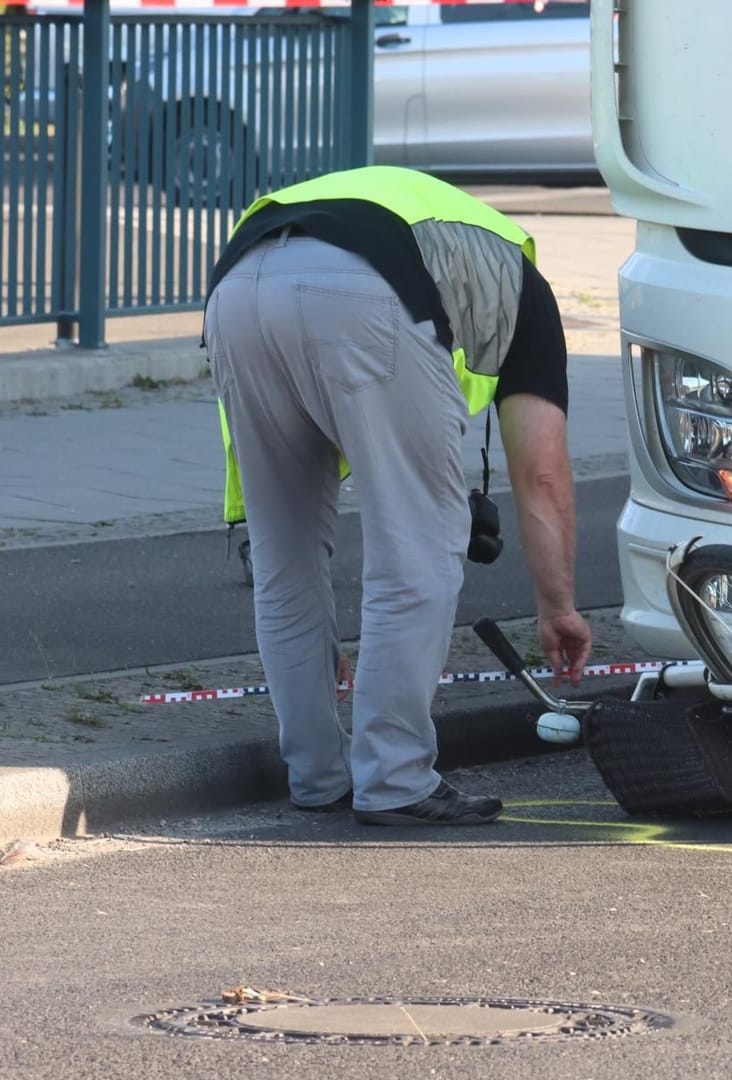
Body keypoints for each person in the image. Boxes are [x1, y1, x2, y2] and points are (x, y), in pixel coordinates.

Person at [203, 165, 593, 826]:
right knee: (416, 550)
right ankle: (394, 776)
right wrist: (558, 606)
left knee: (283, 560)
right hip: (363, 290)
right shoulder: (523, 287)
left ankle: (317, 776)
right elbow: (543, 472)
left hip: (235, 288)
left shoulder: (446, 236)